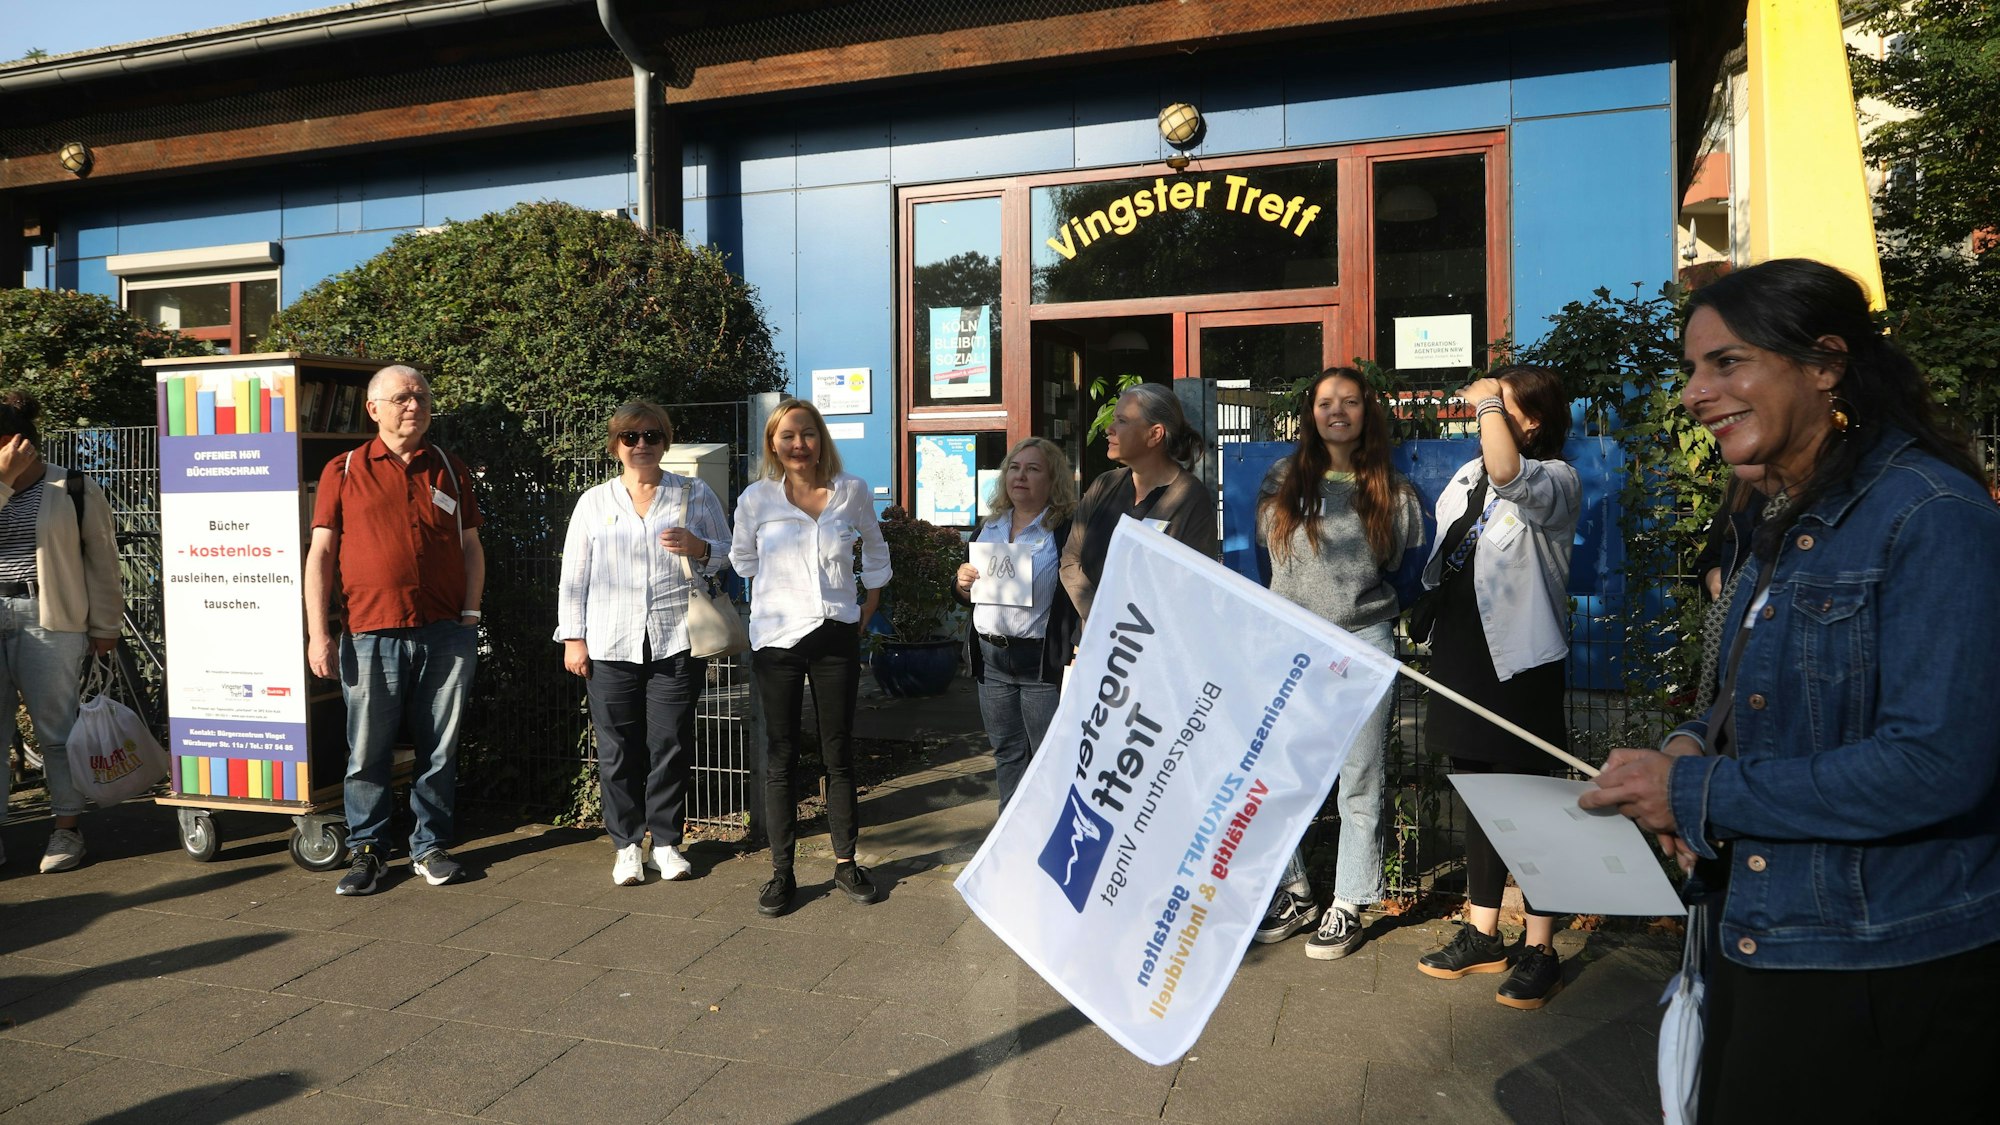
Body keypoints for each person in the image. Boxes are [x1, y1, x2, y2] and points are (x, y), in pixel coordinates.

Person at [1581, 259, 2000, 1120]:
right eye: (1693, 368)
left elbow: (1935, 763)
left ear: (1825, 364)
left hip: (1879, 969)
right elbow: (1760, 700)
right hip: (1766, 936)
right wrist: (1689, 742)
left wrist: (1696, 792)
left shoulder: (1931, 515)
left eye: (1727, 363)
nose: (1697, 392)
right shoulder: (1785, 518)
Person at [1412, 364, 1578, 1010]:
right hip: (1461, 650)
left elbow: (1513, 475)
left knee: (1532, 801)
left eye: (1501, 406)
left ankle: (1541, 945)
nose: (1483, 413)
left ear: (1529, 421)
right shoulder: (1468, 473)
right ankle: (1484, 931)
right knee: (1479, 792)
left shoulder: (1556, 480)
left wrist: (1486, 406)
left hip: (1521, 660)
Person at [1250, 369, 1424, 958]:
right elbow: (1262, 558)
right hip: (1290, 646)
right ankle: (1295, 891)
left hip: (1363, 642)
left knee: (1360, 777)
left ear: (1366, 412)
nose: (1338, 411)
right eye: (1326, 402)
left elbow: (1401, 564)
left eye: (1350, 401)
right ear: (1312, 413)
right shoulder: (1282, 480)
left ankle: (1348, 901)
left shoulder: (1391, 491)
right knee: (1276, 772)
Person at [306, 364, 484, 896]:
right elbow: (319, 555)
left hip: (447, 631)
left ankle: (429, 847)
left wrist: (471, 615)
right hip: (369, 633)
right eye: (403, 397)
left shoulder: (449, 470)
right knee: (367, 750)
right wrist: (319, 633)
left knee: (440, 747)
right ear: (374, 409)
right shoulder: (342, 471)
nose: (414, 406)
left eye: (423, 397)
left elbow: (471, 548)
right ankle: (368, 850)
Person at [555, 403, 731, 887]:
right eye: (630, 437)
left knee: (670, 744)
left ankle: (668, 843)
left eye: (652, 435)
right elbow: (574, 575)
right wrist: (574, 638)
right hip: (610, 643)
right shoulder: (595, 501)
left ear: (665, 441)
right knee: (616, 749)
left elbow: (731, 555)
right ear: (616, 445)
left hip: (676, 639)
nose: (642, 445)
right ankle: (627, 845)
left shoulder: (694, 494)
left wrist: (699, 548)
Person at [730, 397, 890, 917]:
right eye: (787, 437)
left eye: (807, 434)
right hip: (776, 638)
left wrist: (869, 598)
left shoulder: (852, 491)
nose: (799, 445)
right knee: (781, 755)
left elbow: (876, 547)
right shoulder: (756, 499)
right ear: (773, 445)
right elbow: (742, 559)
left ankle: (845, 863)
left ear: (821, 438)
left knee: (838, 752)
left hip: (835, 634)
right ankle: (783, 873)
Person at [0, 391, 121, 873]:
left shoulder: (71, 487)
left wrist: (105, 625)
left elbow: (103, 563)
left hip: (48, 617)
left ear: (16, 442)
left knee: (55, 732)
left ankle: (66, 831)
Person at [951, 437, 1078, 811]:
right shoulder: (987, 528)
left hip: (1041, 663)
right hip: (992, 661)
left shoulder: (1064, 531)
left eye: (1033, 469)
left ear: (1052, 479)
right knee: (1007, 754)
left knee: (1048, 758)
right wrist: (959, 584)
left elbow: (1079, 593)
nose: (1020, 476)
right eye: (1015, 468)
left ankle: (1048, 841)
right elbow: (966, 593)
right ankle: (1010, 841)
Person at [1060, 382, 1217, 628]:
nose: (1109, 429)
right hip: (1092, 640)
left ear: (1155, 434)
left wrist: (1122, 624)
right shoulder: (1103, 485)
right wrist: (1097, 613)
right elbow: (1070, 559)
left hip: (1147, 651)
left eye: (1122, 421)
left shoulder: (1190, 498)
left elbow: (1191, 586)